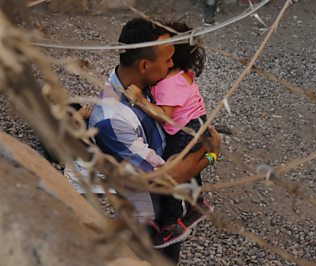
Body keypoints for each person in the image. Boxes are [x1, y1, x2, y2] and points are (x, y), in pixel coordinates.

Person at [88, 18, 220, 264]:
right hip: (151, 224)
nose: (173, 64)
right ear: (145, 65)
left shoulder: (144, 84)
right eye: (168, 60)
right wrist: (212, 155)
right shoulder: (113, 121)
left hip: (173, 208)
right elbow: (163, 180)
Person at [126, 21, 216, 248]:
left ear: (171, 57)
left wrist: (139, 99)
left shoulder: (169, 83)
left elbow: (164, 116)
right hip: (197, 126)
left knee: (174, 173)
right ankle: (197, 204)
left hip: (187, 131)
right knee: (192, 166)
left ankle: (170, 225)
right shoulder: (181, 74)